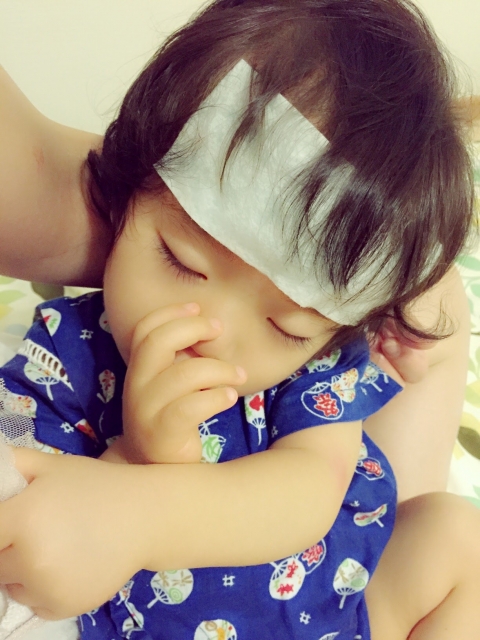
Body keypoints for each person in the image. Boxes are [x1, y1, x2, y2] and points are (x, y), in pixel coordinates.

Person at [0, 0, 477, 638]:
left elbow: (307, 492)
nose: (216, 331)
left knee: (457, 536)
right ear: (127, 189)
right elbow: (32, 512)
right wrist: (131, 462)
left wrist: (146, 511)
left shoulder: (318, 368)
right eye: (181, 261)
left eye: (287, 327)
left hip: (339, 618)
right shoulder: (68, 355)